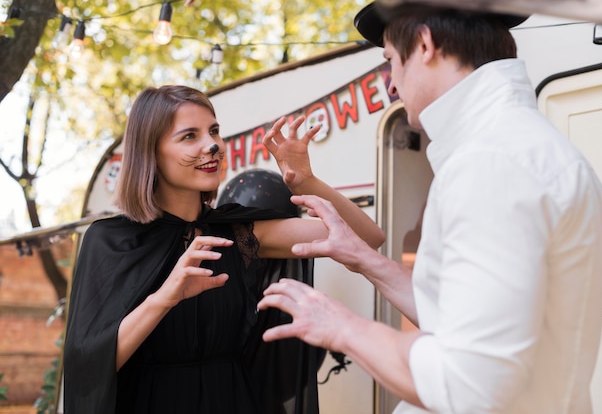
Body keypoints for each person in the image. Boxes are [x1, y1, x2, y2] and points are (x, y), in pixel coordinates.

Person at [258, 1, 602, 414]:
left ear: (424, 44)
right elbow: (455, 318)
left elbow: (466, 384)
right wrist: (361, 257)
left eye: (391, 61)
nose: (391, 85)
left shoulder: (492, 162)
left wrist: (341, 326)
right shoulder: (518, 147)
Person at [62, 85, 385, 414]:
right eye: (190, 136)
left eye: (214, 131)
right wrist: (164, 298)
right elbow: (89, 365)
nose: (213, 145)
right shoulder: (111, 239)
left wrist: (306, 180)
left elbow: (366, 239)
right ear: (151, 153)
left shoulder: (238, 233)